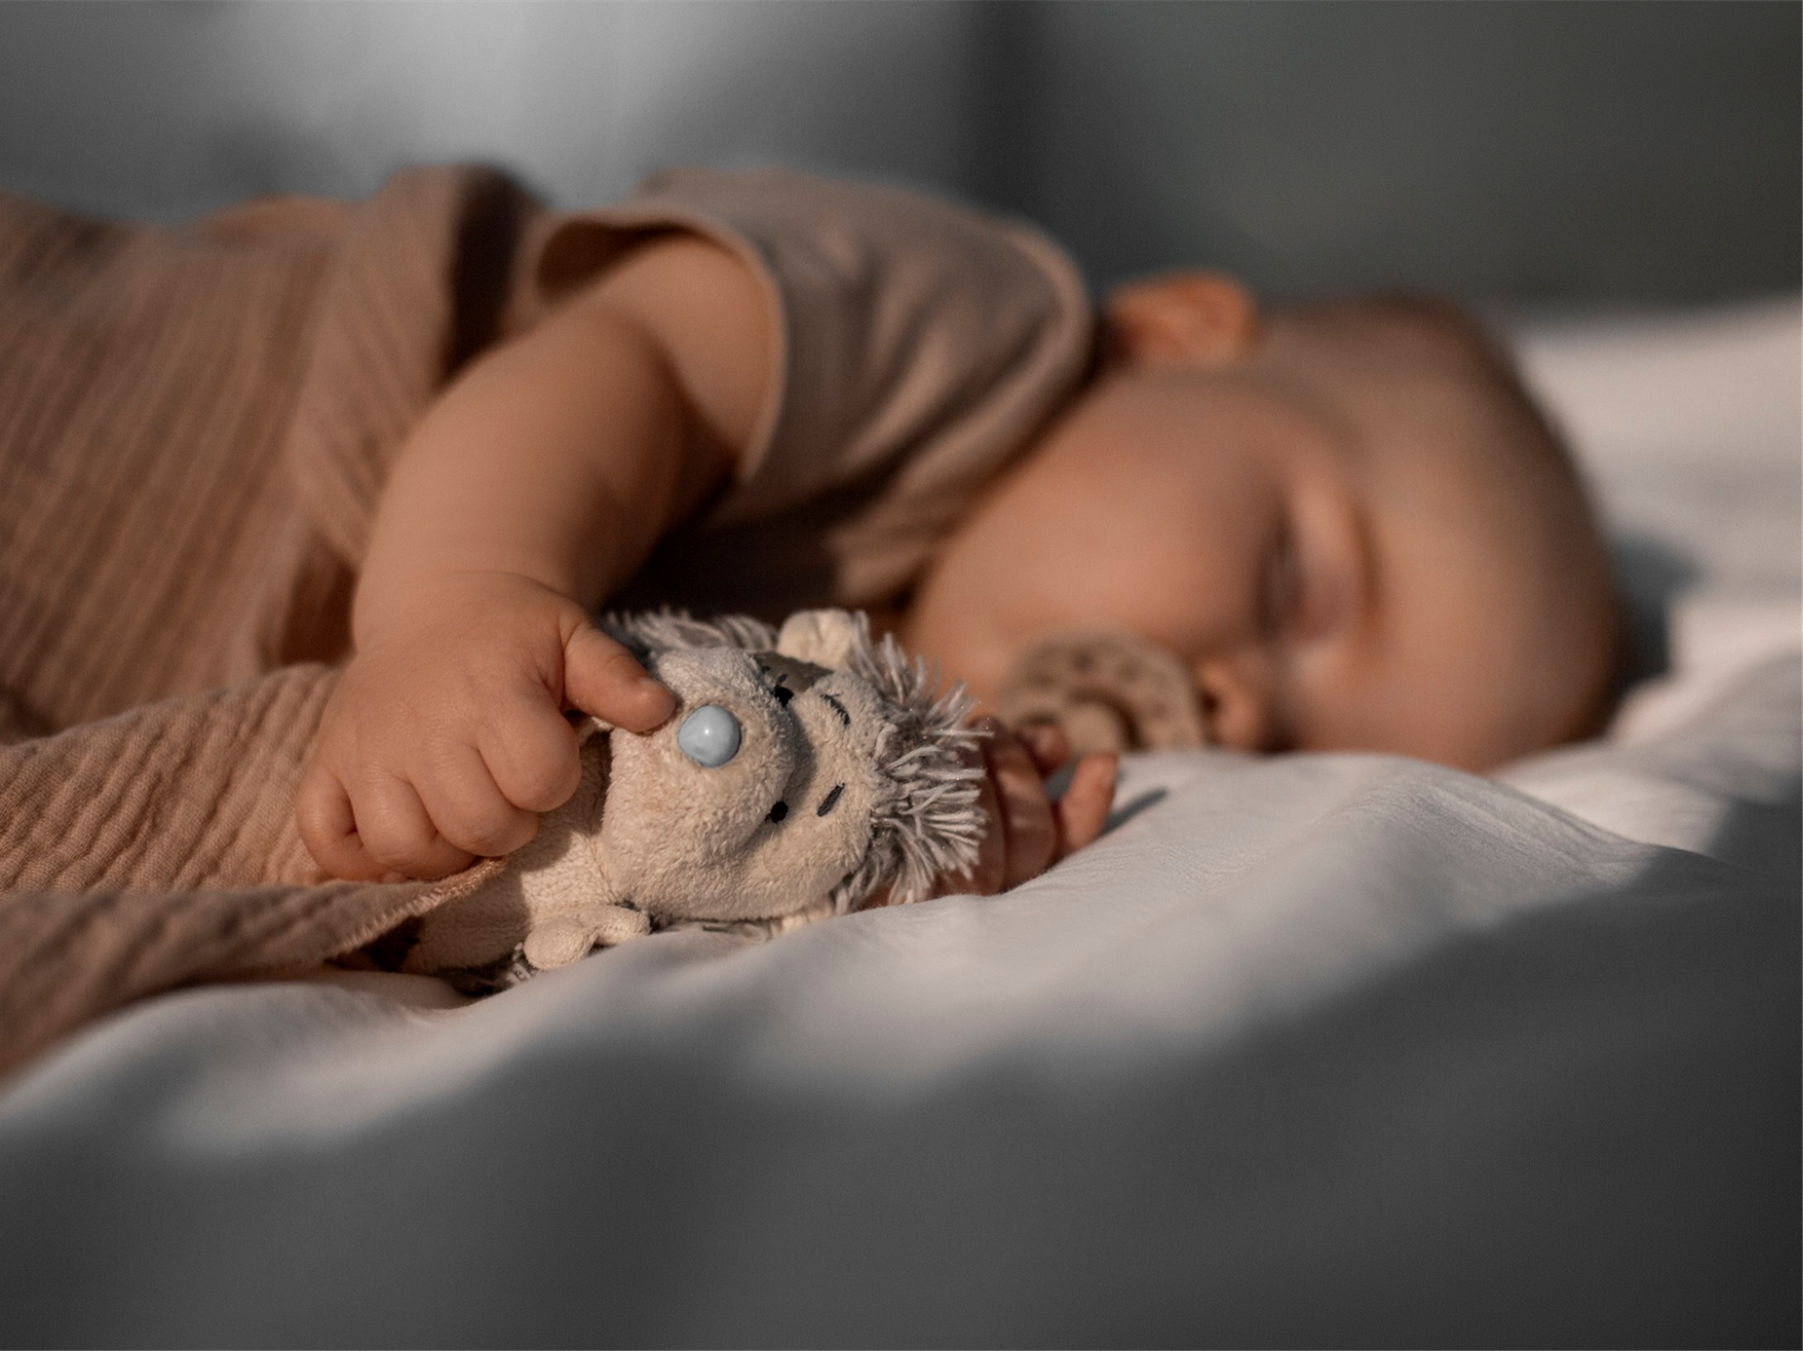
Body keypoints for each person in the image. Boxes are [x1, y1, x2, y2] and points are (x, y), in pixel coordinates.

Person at [289, 168, 1620, 897]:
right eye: (1291, 586)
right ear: (1171, 341)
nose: (1236, 710)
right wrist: (460, 599)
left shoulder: (943, 747)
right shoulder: (978, 326)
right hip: (259, 396)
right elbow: (635, 363)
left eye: (1306, 750)